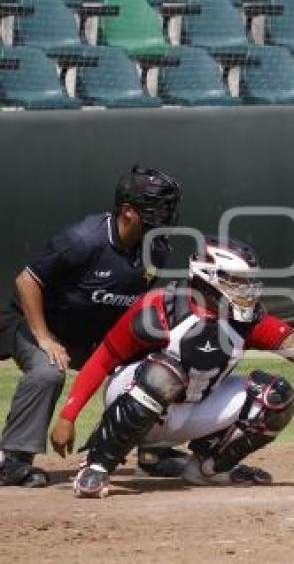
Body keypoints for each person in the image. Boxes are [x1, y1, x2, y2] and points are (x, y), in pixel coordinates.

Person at [49, 236, 294, 498]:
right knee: (166, 373)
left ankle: (207, 469)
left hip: (192, 409)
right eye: (237, 279)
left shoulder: (246, 319)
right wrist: (68, 415)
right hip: (136, 398)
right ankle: (96, 467)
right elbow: (103, 358)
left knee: (275, 397)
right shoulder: (162, 307)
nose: (245, 287)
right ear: (210, 277)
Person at [0, 166, 183, 487]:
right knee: (48, 370)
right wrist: (43, 337)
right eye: (158, 207)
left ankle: (153, 451)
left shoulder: (155, 248)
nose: (167, 215)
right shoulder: (84, 239)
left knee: (161, 367)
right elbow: (26, 281)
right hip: (35, 323)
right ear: (128, 211)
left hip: (91, 335)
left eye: (169, 207)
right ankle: (13, 459)